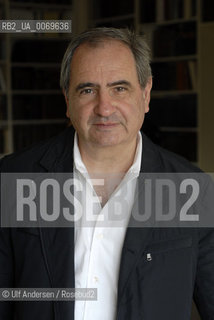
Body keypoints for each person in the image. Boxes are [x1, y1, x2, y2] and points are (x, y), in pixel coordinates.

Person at [0, 27, 214, 320]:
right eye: (87, 90)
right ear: (67, 100)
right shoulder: (14, 178)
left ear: (145, 93)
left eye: (119, 88)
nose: (104, 107)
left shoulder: (192, 190)